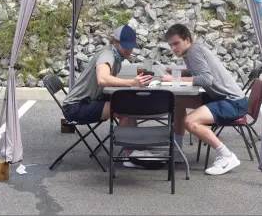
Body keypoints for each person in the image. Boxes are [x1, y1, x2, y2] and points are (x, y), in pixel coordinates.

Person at [160, 23, 248, 175]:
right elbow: (199, 71)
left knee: (190, 121)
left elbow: (206, 79)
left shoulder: (194, 51)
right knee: (178, 101)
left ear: (187, 40)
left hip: (232, 102)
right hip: (220, 97)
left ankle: (227, 156)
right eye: (171, 45)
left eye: (176, 43)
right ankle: (177, 151)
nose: (173, 48)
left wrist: (174, 80)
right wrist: (179, 72)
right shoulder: (191, 52)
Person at [63, 25, 154, 166]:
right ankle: (130, 155)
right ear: (114, 42)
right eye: (125, 46)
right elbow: (102, 79)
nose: (129, 50)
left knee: (129, 103)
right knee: (125, 110)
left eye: (131, 46)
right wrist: (132, 82)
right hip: (75, 107)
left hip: (89, 100)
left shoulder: (117, 58)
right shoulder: (107, 55)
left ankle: (135, 146)